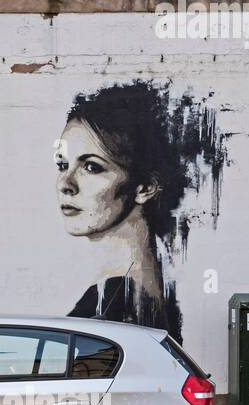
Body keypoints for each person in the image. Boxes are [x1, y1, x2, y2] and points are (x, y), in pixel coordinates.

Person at [55, 81, 196, 342]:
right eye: (62, 165)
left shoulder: (118, 299)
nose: (66, 184)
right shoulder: (130, 292)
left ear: (144, 188)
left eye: (92, 167)